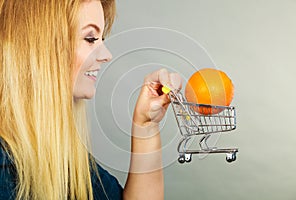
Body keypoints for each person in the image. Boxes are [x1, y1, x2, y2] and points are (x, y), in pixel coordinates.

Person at [0, 0, 182, 199]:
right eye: (90, 38)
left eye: (101, 38)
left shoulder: (65, 161)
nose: (106, 54)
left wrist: (146, 125)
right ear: (38, 45)